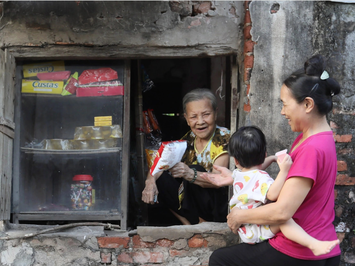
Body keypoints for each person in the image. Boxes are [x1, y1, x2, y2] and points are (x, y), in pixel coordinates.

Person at [203, 54, 342, 265]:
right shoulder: (315, 137)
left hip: (299, 251)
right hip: (321, 243)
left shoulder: (311, 148)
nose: (282, 111)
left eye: (285, 104)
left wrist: (239, 216)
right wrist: (239, 177)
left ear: (307, 104)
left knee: (220, 260)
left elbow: (282, 211)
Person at [225, 125, 339, 256]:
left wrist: (273, 159)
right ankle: (312, 244)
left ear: (236, 160)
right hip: (257, 228)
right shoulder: (261, 178)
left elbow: (255, 168)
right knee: (284, 220)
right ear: (264, 154)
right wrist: (284, 171)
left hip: (245, 229)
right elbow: (272, 194)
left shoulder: (237, 174)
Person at [141, 88, 231, 225]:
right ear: (187, 119)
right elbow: (157, 166)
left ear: (215, 113)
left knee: (194, 169)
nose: (200, 121)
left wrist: (190, 174)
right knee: (161, 177)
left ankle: (204, 223)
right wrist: (150, 182)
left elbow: (218, 180)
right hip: (195, 208)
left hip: (218, 208)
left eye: (206, 114)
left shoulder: (224, 138)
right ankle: (188, 225)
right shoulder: (187, 140)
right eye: (194, 117)